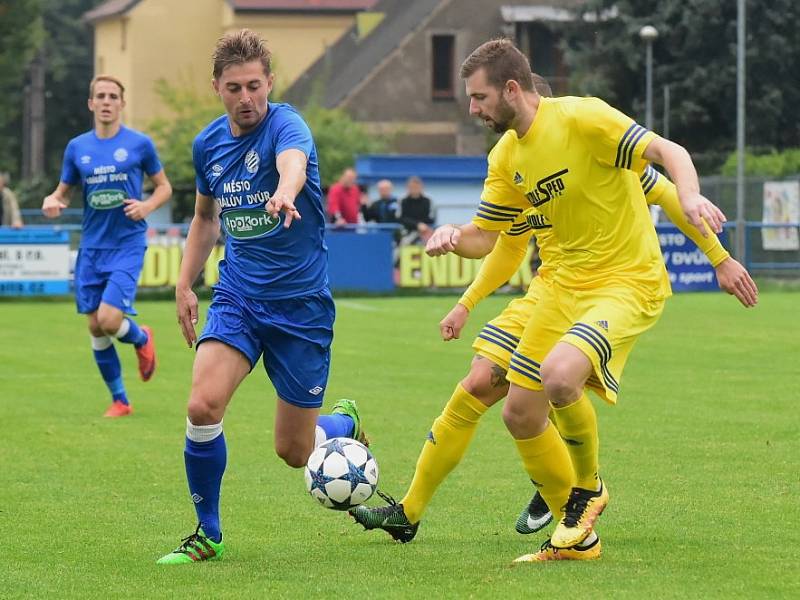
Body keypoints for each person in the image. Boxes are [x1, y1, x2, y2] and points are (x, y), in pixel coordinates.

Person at [350, 73, 758, 555]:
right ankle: (445, 510)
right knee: (500, 396)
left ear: (513, 90)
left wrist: (719, 256)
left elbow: (669, 184)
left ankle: (577, 492)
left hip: (619, 282)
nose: (472, 109)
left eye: (478, 98)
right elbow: (499, 245)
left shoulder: (589, 128)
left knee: (557, 379)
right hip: (555, 289)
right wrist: (458, 259)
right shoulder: (508, 159)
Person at [158, 29, 367, 565]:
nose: (246, 98)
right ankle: (208, 533)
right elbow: (205, 218)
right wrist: (185, 282)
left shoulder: (287, 124)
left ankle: (341, 423)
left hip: (301, 308)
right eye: (234, 88)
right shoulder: (208, 145)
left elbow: (292, 163)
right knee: (202, 405)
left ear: (270, 82)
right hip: (239, 298)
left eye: (255, 85)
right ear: (217, 88)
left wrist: (284, 190)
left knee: (294, 452)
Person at [41, 75, 171, 417]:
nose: (107, 101)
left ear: (122, 104)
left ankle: (142, 339)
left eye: (113, 96)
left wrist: (146, 207)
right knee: (95, 326)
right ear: (91, 103)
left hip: (127, 243)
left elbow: (164, 187)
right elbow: (63, 190)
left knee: (110, 319)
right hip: (92, 248)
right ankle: (121, 400)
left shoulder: (139, 144)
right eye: (101, 95)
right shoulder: (77, 148)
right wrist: (53, 200)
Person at [398, 176, 434, 243]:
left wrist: (422, 226)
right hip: (407, 234)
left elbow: (431, 218)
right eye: (412, 187)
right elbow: (401, 218)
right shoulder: (403, 201)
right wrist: (417, 225)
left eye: (416, 187)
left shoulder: (428, 201)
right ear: (407, 188)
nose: (414, 189)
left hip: (425, 234)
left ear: (421, 187)